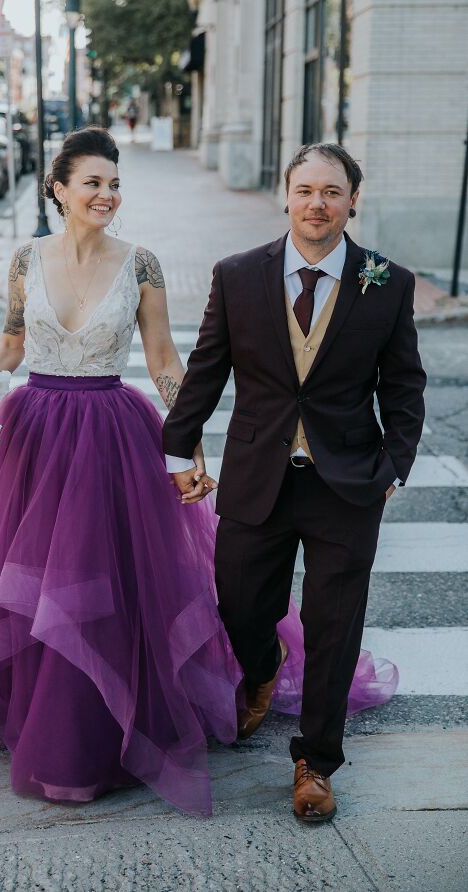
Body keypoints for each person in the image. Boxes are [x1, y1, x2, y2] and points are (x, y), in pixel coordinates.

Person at [0, 130, 397, 818]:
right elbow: (9, 345)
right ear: (58, 188)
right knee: (29, 584)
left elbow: (164, 359)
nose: (106, 194)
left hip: (112, 433)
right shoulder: (22, 260)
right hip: (31, 434)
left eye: (115, 183)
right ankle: (40, 712)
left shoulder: (144, 265)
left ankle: (104, 727)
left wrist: (188, 446)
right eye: (92, 182)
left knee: (109, 587)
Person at [163, 143, 426, 822]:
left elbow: (404, 387)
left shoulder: (387, 282)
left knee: (335, 625)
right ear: (286, 195)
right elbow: (206, 371)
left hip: (348, 483)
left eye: (332, 192)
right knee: (241, 602)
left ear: (352, 200)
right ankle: (263, 662)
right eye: (306, 190)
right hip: (258, 476)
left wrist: (395, 465)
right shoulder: (240, 275)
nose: (318, 204)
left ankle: (316, 761)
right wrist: (176, 452)